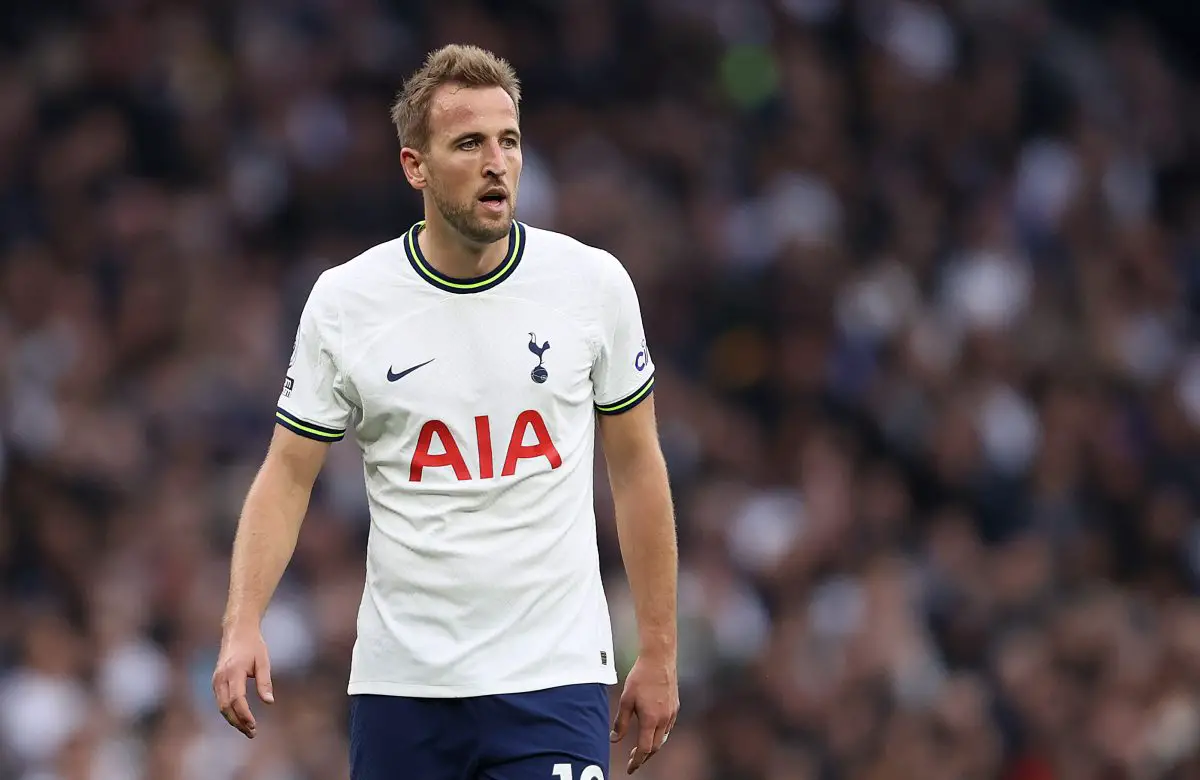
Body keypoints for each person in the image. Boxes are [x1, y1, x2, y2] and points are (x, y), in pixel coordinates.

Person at [211, 44, 679, 779]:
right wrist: (242, 624)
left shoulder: (593, 286)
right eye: (469, 143)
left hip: (552, 677)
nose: (498, 161)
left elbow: (638, 468)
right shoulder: (347, 302)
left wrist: (657, 651)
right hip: (405, 687)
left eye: (510, 140)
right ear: (415, 167)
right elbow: (288, 474)